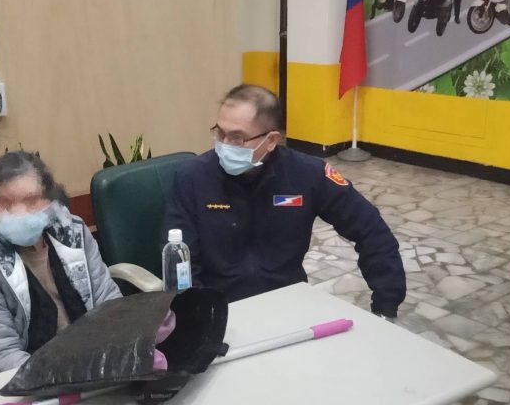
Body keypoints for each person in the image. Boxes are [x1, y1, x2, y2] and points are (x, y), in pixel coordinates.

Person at [163, 85, 406, 318]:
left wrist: (386, 306)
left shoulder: (307, 174)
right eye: (220, 133)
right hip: (219, 307)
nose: (224, 145)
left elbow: (371, 230)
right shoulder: (193, 177)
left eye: (237, 138)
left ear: (271, 140)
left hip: (288, 302)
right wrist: (199, 316)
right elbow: (180, 259)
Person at [0, 151, 121, 384]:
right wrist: (65, 378)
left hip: (86, 363)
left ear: (50, 201)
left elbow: (109, 304)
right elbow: (0, 354)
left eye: (31, 200)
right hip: (16, 378)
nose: (19, 213)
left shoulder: (74, 233)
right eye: (5, 203)